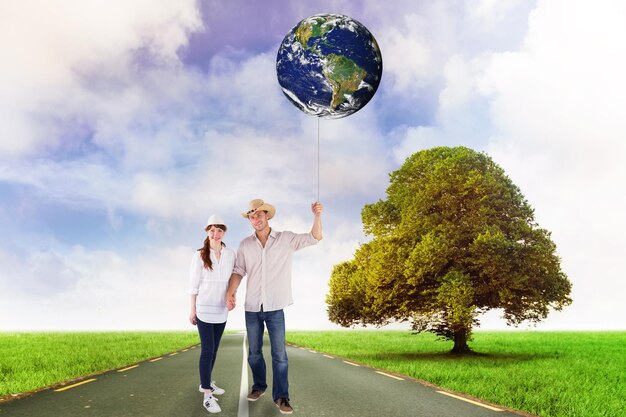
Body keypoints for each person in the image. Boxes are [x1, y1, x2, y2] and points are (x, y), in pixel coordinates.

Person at [225, 199, 323, 415]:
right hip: (252, 306)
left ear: (267, 216)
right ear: (250, 220)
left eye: (259, 214)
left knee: (280, 355)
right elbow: (238, 271)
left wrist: (316, 216)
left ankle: (281, 397)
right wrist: (230, 292)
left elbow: (315, 237)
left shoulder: (286, 239)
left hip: (275, 307)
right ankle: (259, 386)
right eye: (252, 216)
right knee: (254, 354)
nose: (256, 219)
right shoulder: (245, 245)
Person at [189, 214, 236, 414]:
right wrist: (192, 309)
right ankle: (207, 394)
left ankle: (206, 382)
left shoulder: (230, 253)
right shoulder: (199, 255)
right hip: (204, 309)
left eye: (219, 230)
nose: (215, 234)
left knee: (215, 350)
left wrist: (232, 297)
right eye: (212, 230)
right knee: (207, 350)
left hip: (221, 310)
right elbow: (192, 285)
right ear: (207, 232)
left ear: (224, 232)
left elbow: (233, 278)